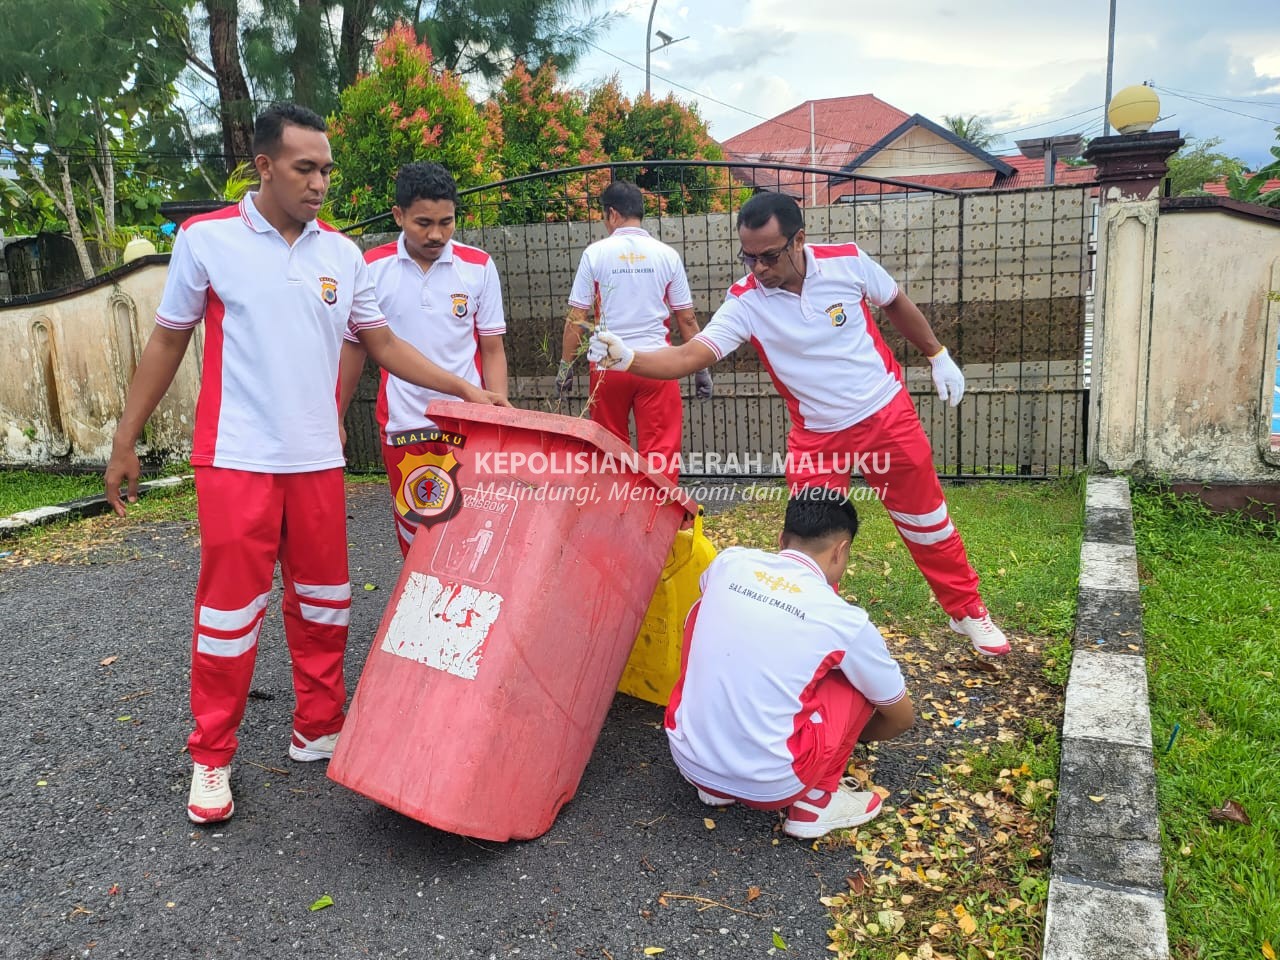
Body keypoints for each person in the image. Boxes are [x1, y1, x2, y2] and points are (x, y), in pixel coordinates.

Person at [104, 104, 507, 826]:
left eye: (326, 169)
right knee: (230, 615)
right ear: (264, 166)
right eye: (305, 168)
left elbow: (381, 345)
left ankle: (317, 729)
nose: (320, 182)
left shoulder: (342, 257)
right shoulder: (207, 240)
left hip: (319, 459)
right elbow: (166, 343)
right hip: (236, 459)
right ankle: (212, 757)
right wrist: (124, 439)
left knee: (326, 603)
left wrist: (463, 387)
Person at [587, 191, 1010, 656]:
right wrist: (628, 358)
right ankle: (811, 641)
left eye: (769, 255)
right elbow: (690, 354)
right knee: (807, 545)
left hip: (886, 416)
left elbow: (895, 302)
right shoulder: (746, 302)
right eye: (748, 257)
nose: (758, 268)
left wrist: (937, 354)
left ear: (799, 240)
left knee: (926, 522)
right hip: (818, 438)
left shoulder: (847, 262)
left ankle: (967, 611)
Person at [665, 489, 914, 839]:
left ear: (781, 538)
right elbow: (902, 717)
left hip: (689, 759)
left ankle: (717, 787)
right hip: (775, 783)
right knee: (855, 678)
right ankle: (815, 804)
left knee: (706, 616)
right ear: (841, 551)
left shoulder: (730, 562)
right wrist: (843, 741)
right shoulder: (845, 621)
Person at [338, 162, 508, 556]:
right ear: (398, 215)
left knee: (474, 528)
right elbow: (355, 348)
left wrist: (498, 416)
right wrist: (337, 417)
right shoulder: (371, 268)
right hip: (405, 425)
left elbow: (492, 347)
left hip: (469, 424)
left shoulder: (479, 266)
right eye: (423, 223)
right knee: (419, 534)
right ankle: (422, 613)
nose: (436, 234)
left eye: (446, 222)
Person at [557, 180, 712, 483]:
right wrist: (701, 368)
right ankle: (659, 524)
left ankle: (618, 521)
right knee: (661, 453)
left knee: (611, 453)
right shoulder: (667, 255)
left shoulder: (595, 254)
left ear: (612, 214)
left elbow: (576, 317)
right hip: (658, 366)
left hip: (608, 366)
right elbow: (688, 320)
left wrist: (566, 367)